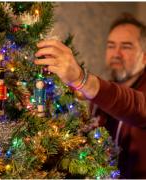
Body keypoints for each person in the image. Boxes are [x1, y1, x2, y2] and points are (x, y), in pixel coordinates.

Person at [34, 13, 146, 178]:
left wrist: (81, 79)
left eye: (126, 46)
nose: (116, 53)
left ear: (144, 56)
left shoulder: (105, 92)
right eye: (111, 45)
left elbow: (135, 106)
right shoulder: (99, 98)